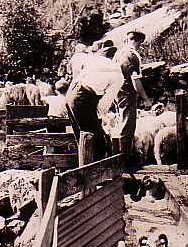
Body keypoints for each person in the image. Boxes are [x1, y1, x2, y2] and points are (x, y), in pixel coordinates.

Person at [65, 41, 123, 160]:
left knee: (81, 135)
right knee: (94, 138)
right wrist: (100, 119)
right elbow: (104, 105)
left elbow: (76, 61)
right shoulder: (118, 75)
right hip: (84, 98)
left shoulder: (93, 59)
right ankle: (94, 168)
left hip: (73, 92)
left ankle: (82, 163)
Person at [112, 30, 153, 161]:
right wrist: (146, 99)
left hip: (116, 90)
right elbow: (135, 80)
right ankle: (124, 158)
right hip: (127, 92)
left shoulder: (119, 53)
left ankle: (116, 155)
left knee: (119, 122)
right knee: (128, 124)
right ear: (139, 42)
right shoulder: (132, 55)